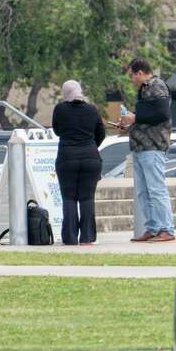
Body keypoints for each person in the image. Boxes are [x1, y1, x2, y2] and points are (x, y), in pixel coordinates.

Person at [119, 58, 176, 243]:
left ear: (140, 73)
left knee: (156, 189)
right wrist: (129, 123)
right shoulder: (145, 89)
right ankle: (153, 228)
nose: (131, 79)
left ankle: (166, 229)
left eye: (132, 75)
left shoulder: (156, 85)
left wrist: (134, 117)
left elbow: (162, 113)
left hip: (153, 146)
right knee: (144, 191)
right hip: (141, 147)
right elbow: (146, 117)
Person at [51, 80, 105, 245]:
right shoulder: (92, 110)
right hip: (90, 158)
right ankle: (87, 237)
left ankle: (70, 238)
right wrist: (89, 146)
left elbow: (57, 130)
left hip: (67, 158)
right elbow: (101, 133)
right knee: (87, 198)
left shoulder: (60, 109)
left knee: (69, 198)